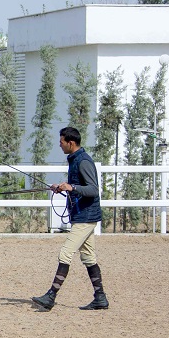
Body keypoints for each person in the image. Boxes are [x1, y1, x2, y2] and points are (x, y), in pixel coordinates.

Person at [32, 126, 109, 311]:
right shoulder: (75, 160)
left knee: (65, 253)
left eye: (61, 143)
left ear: (70, 143)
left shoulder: (83, 162)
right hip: (82, 215)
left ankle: (51, 296)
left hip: (86, 216)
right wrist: (62, 187)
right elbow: (77, 186)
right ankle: (100, 297)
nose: (60, 146)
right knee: (88, 256)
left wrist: (72, 188)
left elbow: (93, 189)